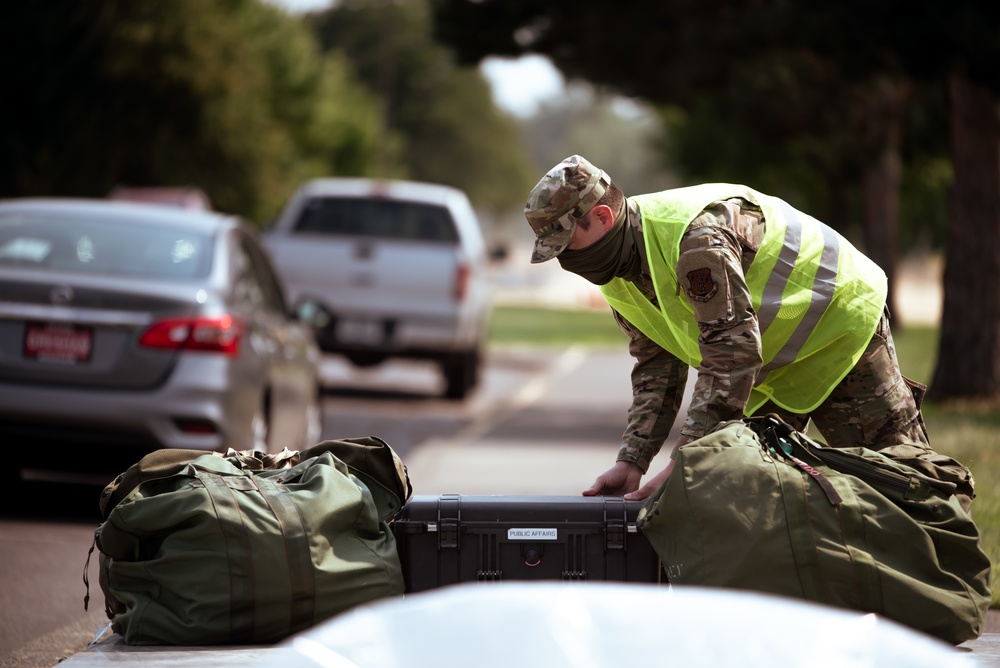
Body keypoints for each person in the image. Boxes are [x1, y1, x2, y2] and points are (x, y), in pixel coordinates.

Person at [523, 155, 975, 510]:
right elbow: (658, 368)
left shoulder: (694, 238)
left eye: (566, 244)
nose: (567, 261)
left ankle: (947, 579)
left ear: (603, 216)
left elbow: (731, 354)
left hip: (838, 327)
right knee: (753, 509)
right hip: (767, 371)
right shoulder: (616, 274)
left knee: (901, 486)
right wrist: (633, 459)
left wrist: (686, 460)